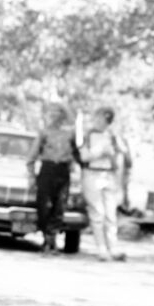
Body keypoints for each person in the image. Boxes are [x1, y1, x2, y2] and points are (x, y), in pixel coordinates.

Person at [80, 106, 132, 262]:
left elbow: (123, 152)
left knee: (111, 214)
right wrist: (100, 152)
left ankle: (113, 248)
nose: (99, 121)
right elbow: (84, 157)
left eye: (103, 118)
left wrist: (115, 147)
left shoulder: (112, 135)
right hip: (92, 173)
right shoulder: (88, 135)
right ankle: (101, 248)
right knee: (98, 213)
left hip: (109, 174)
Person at [28, 105, 78, 255]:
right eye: (53, 113)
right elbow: (32, 155)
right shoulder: (44, 133)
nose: (55, 117)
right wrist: (31, 175)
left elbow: (77, 153)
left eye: (59, 113)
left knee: (59, 206)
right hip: (47, 169)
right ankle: (46, 239)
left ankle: (52, 241)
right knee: (44, 205)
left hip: (63, 170)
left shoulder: (70, 133)